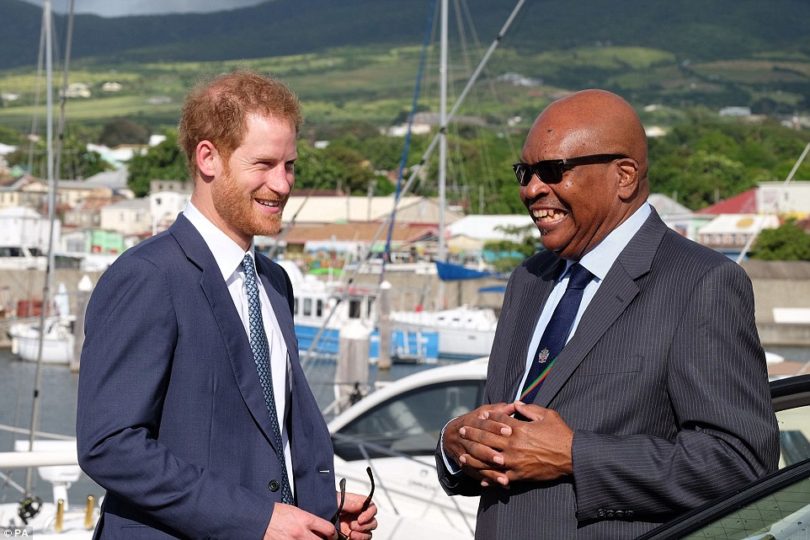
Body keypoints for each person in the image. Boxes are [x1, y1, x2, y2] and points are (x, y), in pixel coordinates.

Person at [435, 89, 779, 538]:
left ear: (624, 176)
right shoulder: (529, 280)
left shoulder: (701, 283)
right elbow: (511, 438)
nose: (531, 189)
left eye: (553, 171)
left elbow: (740, 463)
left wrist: (576, 454)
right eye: (525, 172)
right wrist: (456, 444)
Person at [77, 71, 377, 540]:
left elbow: (255, 434)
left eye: (290, 165)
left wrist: (312, 508)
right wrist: (257, 520)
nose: (281, 185)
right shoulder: (149, 276)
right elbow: (109, 446)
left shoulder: (275, 283)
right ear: (208, 157)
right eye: (263, 164)